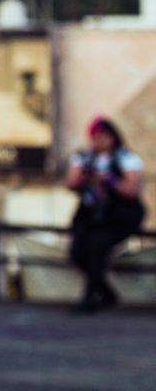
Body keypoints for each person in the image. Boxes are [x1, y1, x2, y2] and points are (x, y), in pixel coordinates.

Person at [66, 116, 145, 313]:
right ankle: (106, 293)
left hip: (118, 216)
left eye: (103, 137)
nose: (99, 142)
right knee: (78, 251)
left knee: (97, 247)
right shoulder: (85, 158)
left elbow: (131, 191)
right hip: (91, 214)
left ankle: (90, 297)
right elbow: (71, 184)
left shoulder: (126, 159)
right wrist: (85, 176)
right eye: (95, 137)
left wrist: (109, 181)